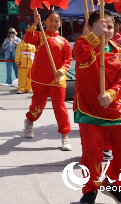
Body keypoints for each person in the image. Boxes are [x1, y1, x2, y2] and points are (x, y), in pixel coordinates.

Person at [73, 10, 121, 204]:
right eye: (102, 26)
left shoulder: (119, 53)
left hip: (114, 108)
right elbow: (80, 54)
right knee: (92, 153)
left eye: (110, 27)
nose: (107, 30)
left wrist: (111, 94)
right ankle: (89, 192)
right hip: (88, 109)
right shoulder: (82, 45)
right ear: (89, 28)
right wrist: (93, 37)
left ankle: (113, 184)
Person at [23, 8, 73, 151]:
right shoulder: (40, 36)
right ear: (44, 22)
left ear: (60, 23)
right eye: (50, 20)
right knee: (38, 107)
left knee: (60, 107)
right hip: (40, 78)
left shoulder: (64, 42)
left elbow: (68, 59)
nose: (54, 23)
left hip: (57, 79)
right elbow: (27, 39)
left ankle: (65, 136)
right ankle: (29, 121)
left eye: (57, 21)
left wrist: (62, 71)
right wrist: (34, 22)